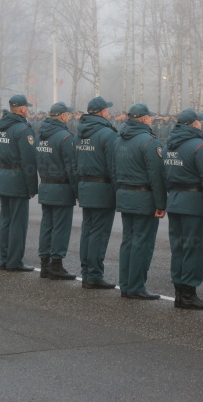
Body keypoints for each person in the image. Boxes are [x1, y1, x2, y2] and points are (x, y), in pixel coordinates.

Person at [163, 108, 203, 309]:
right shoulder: (200, 147)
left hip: (175, 200)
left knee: (178, 248)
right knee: (194, 249)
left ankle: (180, 292)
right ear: (194, 124)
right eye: (199, 122)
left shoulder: (169, 145)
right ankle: (188, 294)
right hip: (194, 203)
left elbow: (164, 174)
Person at [115, 103, 166, 300]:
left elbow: (114, 170)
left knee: (128, 240)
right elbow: (156, 176)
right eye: (151, 117)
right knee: (141, 243)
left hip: (125, 194)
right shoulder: (149, 142)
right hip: (144, 198)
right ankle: (136, 286)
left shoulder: (119, 139)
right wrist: (161, 204)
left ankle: (126, 285)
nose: (153, 119)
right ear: (144, 119)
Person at [76, 96, 118, 290]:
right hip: (102, 189)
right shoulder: (107, 134)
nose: (109, 113)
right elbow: (113, 166)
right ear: (102, 112)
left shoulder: (80, 133)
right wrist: (117, 191)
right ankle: (94, 274)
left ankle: (86, 272)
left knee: (88, 231)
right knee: (99, 234)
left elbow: (74, 162)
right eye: (107, 110)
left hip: (85, 185)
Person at [0, 94, 38, 272]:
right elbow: (28, 161)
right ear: (21, 109)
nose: (27, 110)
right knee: (18, 224)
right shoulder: (23, 130)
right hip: (17, 179)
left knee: (5, 221)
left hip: (3, 176)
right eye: (26, 107)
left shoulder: (0, 127)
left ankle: (4, 259)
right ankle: (14, 262)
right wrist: (32, 187)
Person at [36, 102, 79, 280]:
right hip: (61, 188)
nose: (69, 117)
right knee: (60, 228)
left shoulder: (41, 135)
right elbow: (71, 167)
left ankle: (45, 264)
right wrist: (77, 191)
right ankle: (56, 265)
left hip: (46, 185)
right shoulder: (65, 137)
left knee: (47, 226)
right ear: (62, 116)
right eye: (68, 115)